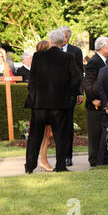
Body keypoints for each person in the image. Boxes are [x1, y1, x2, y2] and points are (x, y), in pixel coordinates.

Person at [24, 29, 81, 173]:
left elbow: (32, 80)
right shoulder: (68, 57)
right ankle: (60, 166)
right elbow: (76, 79)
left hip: (39, 104)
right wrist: (70, 95)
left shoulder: (38, 56)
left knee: (35, 137)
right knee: (60, 136)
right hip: (59, 105)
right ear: (63, 42)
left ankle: (30, 166)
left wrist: (33, 95)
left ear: (50, 41)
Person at [24, 41, 53, 172]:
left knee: (34, 136)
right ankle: (43, 160)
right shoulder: (47, 65)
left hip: (36, 105)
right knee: (45, 135)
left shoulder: (35, 63)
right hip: (47, 105)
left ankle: (30, 165)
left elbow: (31, 85)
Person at [84, 36, 108, 167]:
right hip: (94, 105)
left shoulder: (106, 61)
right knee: (94, 134)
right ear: (102, 47)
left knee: (102, 133)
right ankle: (93, 160)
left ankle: (103, 158)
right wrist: (93, 99)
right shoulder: (94, 62)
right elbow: (88, 82)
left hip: (103, 103)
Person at [59, 25, 84, 167]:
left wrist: (80, 92)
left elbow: (80, 73)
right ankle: (58, 156)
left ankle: (68, 156)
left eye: (65, 36)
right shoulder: (53, 50)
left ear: (68, 37)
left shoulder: (76, 51)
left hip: (69, 95)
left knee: (68, 126)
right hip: (54, 94)